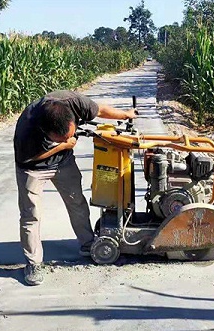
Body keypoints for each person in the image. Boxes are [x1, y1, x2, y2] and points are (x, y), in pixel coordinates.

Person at [13, 90, 136, 286]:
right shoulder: (28, 131)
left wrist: (125, 115)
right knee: (31, 214)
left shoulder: (72, 102)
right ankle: (33, 263)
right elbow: (29, 159)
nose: (68, 139)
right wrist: (62, 146)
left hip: (63, 163)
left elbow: (100, 110)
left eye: (70, 135)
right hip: (33, 167)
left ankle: (87, 244)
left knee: (77, 202)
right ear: (46, 131)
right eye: (59, 138)